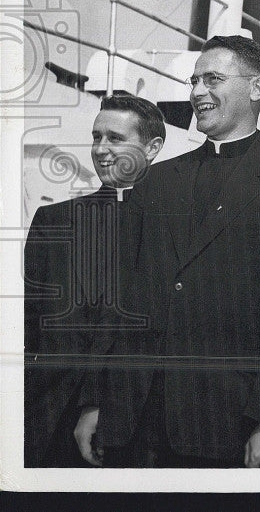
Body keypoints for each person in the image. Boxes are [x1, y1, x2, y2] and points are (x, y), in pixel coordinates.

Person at [74, 35, 260, 468]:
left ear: (257, 88)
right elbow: (121, 301)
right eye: (194, 80)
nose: (196, 92)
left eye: (212, 79)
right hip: (133, 420)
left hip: (225, 423)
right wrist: (93, 401)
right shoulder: (156, 181)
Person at [24, 93, 165, 467]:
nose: (101, 149)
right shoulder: (53, 221)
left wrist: (101, 402)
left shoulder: (171, 229)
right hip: (45, 417)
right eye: (96, 136)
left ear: (151, 148)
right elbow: (28, 322)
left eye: (115, 138)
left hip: (131, 424)